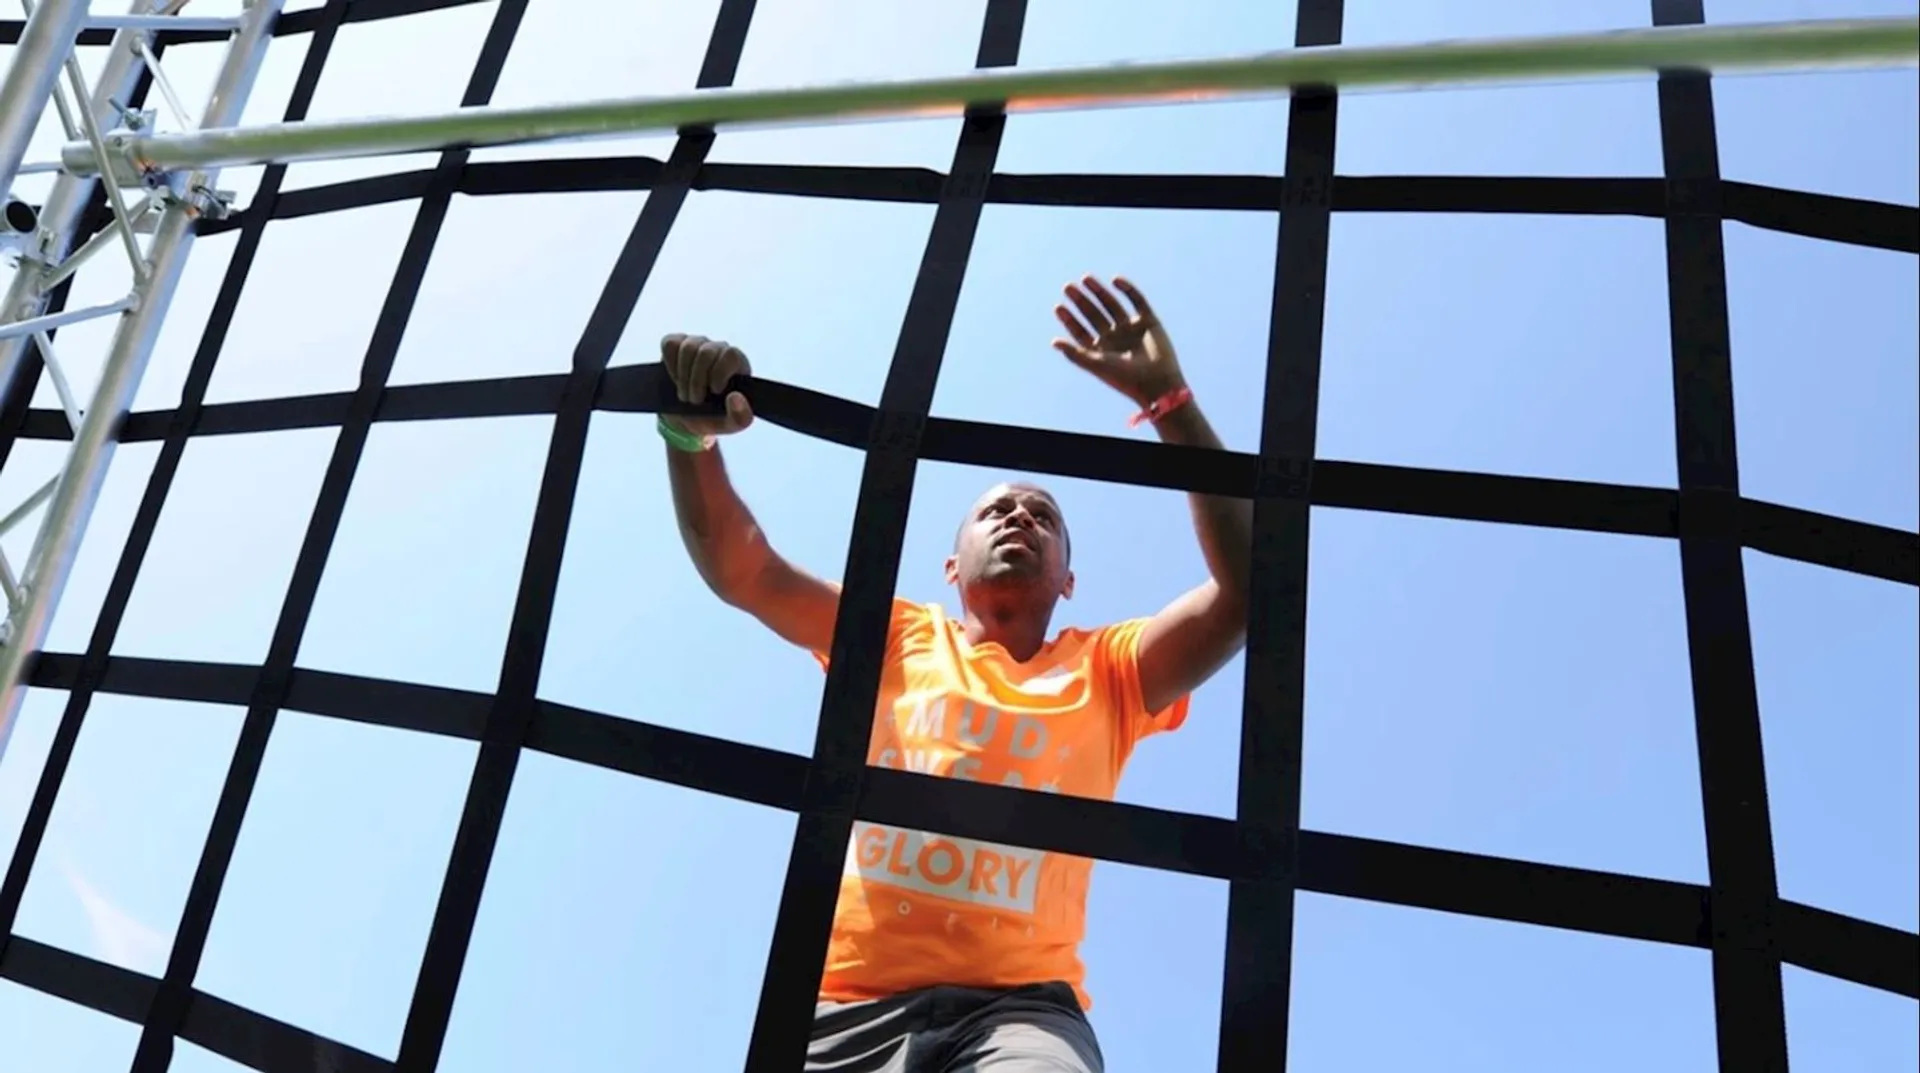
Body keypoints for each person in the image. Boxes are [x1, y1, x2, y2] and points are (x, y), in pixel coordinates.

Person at [657, 275, 1251, 1072]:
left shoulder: (1109, 667)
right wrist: (690, 440)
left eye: (1044, 516)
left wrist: (1169, 401)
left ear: (1068, 579)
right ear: (951, 563)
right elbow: (749, 573)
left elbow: (1251, 592)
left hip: (1021, 1015)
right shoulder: (898, 633)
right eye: (997, 509)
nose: (1019, 517)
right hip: (844, 1005)